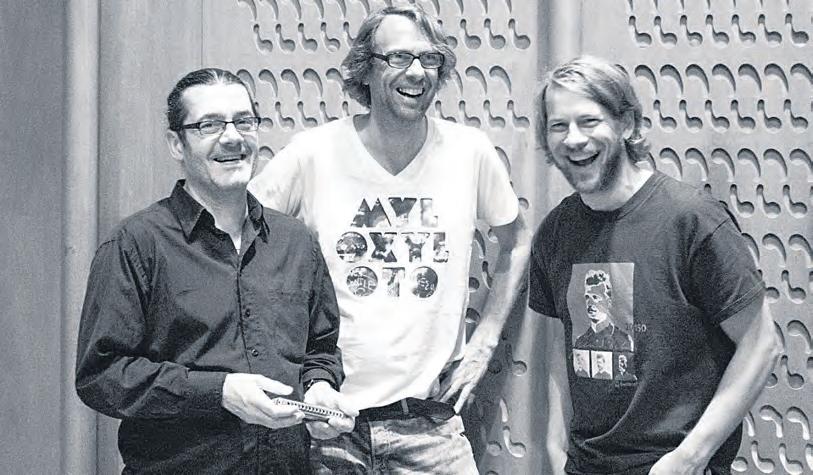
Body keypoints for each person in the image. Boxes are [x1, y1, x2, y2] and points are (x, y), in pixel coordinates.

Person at [249, 5, 529, 473]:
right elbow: (238, 241)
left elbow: (517, 240)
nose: (416, 72)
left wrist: (485, 340)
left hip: (431, 426)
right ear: (366, 68)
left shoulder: (469, 152)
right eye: (398, 57)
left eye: (429, 58)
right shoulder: (314, 153)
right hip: (328, 424)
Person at [75, 68, 356, 474]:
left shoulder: (296, 242)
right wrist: (219, 391)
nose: (232, 137)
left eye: (244, 121)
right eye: (209, 125)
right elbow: (101, 375)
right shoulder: (136, 244)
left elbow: (321, 350)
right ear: (177, 143)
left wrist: (319, 389)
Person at [528, 56, 779, 474]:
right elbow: (561, 349)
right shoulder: (555, 231)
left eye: (589, 121)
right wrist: (556, 449)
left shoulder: (692, 219)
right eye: (558, 126)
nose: (573, 139)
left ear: (626, 124)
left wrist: (689, 458)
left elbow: (761, 344)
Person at [574, 269, 633, 351]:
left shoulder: (624, 340)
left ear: (608, 302)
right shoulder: (580, 341)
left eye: (595, 297)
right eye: (587, 297)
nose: (590, 303)